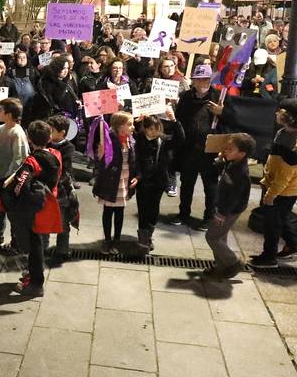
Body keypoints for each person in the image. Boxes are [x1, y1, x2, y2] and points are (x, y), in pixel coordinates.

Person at [252, 98, 297, 268]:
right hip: (283, 187)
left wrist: (271, 194)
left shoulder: (292, 142)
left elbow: (284, 175)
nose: (276, 113)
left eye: (280, 111)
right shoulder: (285, 134)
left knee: (272, 225)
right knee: (280, 218)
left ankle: (269, 258)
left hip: (284, 190)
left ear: (287, 116)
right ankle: (294, 244)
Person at [8, 119, 62, 296]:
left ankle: (36, 283)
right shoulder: (55, 154)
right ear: (49, 138)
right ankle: (33, 274)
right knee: (39, 242)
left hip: (33, 208)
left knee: (34, 245)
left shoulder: (32, 161)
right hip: (49, 204)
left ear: (29, 139)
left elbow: (20, 185)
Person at [173, 64, 224, 229]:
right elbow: (179, 118)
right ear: (193, 80)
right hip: (189, 148)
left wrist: (222, 113)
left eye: (205, 79)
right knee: (187, 183)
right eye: (199, 79)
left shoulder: (219, 97)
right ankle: (183, 213)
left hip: (209, 150)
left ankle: (209, 217)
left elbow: (231, 121)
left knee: (210, 185)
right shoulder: (186, 96)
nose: (202, 82)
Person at [202, 133, 256, 279]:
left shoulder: (240, 172)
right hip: (226, 208)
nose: (225, 150)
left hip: (229, 210)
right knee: (220, 237)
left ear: (242, 153)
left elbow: (233, 197)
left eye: (230, 149)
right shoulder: (234, 163)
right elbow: (224, 174)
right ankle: (222, 266)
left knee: (212, 237)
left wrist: (222, 214)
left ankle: (233, 262)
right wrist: (221, 160)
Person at [0, 98, 29, 250]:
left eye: (1, 110)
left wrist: (8, 178)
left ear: (9, 114)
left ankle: (16, 241)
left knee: (12, 212)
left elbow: (19, 158)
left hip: (9, 181)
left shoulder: (17, 133)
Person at [132, 112, 181, 251]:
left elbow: (179, 139)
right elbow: (131, 135)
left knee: (153, 210)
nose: (154, 132)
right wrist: (137, 122)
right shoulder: (139, 139)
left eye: (157, 129)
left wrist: (174, 120)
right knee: (142, 209)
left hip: (158, 181)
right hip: (142, 181)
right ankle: (143, 239)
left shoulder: (163, 140)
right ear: (145, 128)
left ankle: (148, 236)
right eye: (151, 129)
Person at [91, 111, 137, 252]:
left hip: (124, 178)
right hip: (111, 180)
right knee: (108, 210)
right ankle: (107, 239)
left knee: (120, 211)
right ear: (119, 126)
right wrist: (100, 153)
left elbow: (134, 161)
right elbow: (100, 159)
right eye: (129, 124)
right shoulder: (108, 139)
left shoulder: (131, 140)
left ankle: (117, 239)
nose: (133, 127)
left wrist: (137, 176)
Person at [46, 116, 78, 266]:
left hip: (61, 191)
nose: (48, 133)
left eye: (51, 130)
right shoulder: (45, 144)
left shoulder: (68, 148)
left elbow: (64, 170)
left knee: (62, 223)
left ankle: (62, 251)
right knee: (44, 220)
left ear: (62, 133)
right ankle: (43, 248)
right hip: (46, 190)